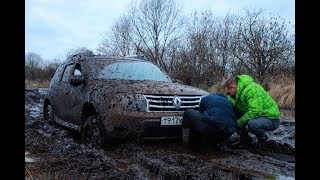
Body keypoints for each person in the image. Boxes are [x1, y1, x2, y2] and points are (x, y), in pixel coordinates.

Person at [224, 74, 280, 148]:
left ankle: (263, 139)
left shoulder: (252, 89)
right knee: (233, 115)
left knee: (252, 124)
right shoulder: (233, 95)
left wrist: (239, 123)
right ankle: (245, 140)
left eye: (228, 92)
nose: (228, 95)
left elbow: (255, 111)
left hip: (271, 118)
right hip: (257, 116)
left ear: (232, 87)